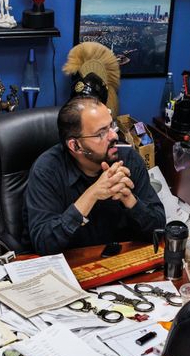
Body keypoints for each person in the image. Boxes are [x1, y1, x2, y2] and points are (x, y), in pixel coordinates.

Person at [24, 81, 165, 254]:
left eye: (111, 126)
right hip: (71, 267)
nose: (114, 135)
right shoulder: (46, 170)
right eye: (101, 133)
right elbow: (44, 243)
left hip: (117, 263)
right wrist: (92, 194)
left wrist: (130, 200)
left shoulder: (127, 158)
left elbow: (159, 230)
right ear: (75, 146)